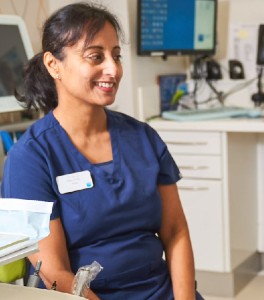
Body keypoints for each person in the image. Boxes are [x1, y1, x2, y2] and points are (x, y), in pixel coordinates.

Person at [1, 3, 203, 299]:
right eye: (96, 56)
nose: (113, 69)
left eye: (116, 56)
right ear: (53, 64)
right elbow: (54, 272)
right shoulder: (31, 157)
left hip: (159, 290)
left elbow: (175, 233)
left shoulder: (143, 138)